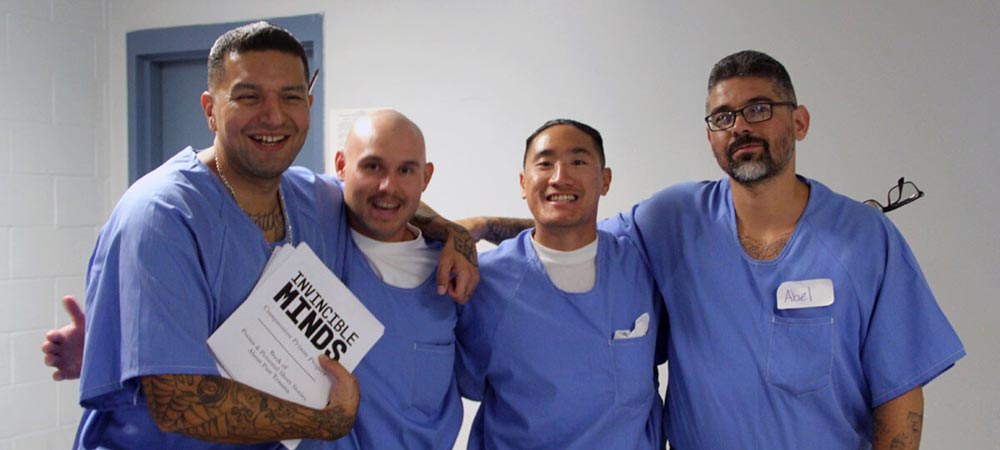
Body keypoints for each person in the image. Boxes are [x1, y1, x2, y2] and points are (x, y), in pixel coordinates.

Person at [64, 22, 477, 449]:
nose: (274, 115)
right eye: (248, 96)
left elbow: (383, 196)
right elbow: (179, 402)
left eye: (291, 97)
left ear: (308, 106)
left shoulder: (306, 197)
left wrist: (457, 235)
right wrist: (324, 421)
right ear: (210, 108)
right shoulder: (162, 215)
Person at [455, 119, 665, 449]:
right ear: (523, 183)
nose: (560, 177)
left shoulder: (642, 267)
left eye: (578, 162)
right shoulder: (486, 282)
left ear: (605, 180)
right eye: (545, 163)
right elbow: (462, 381)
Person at [299, 109, 463, 449]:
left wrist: (459, 236)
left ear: (426, 177)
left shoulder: (452, 277)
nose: (388, 186)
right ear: (341, 165)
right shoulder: (309, 232)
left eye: (406, 170)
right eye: (372, 166)